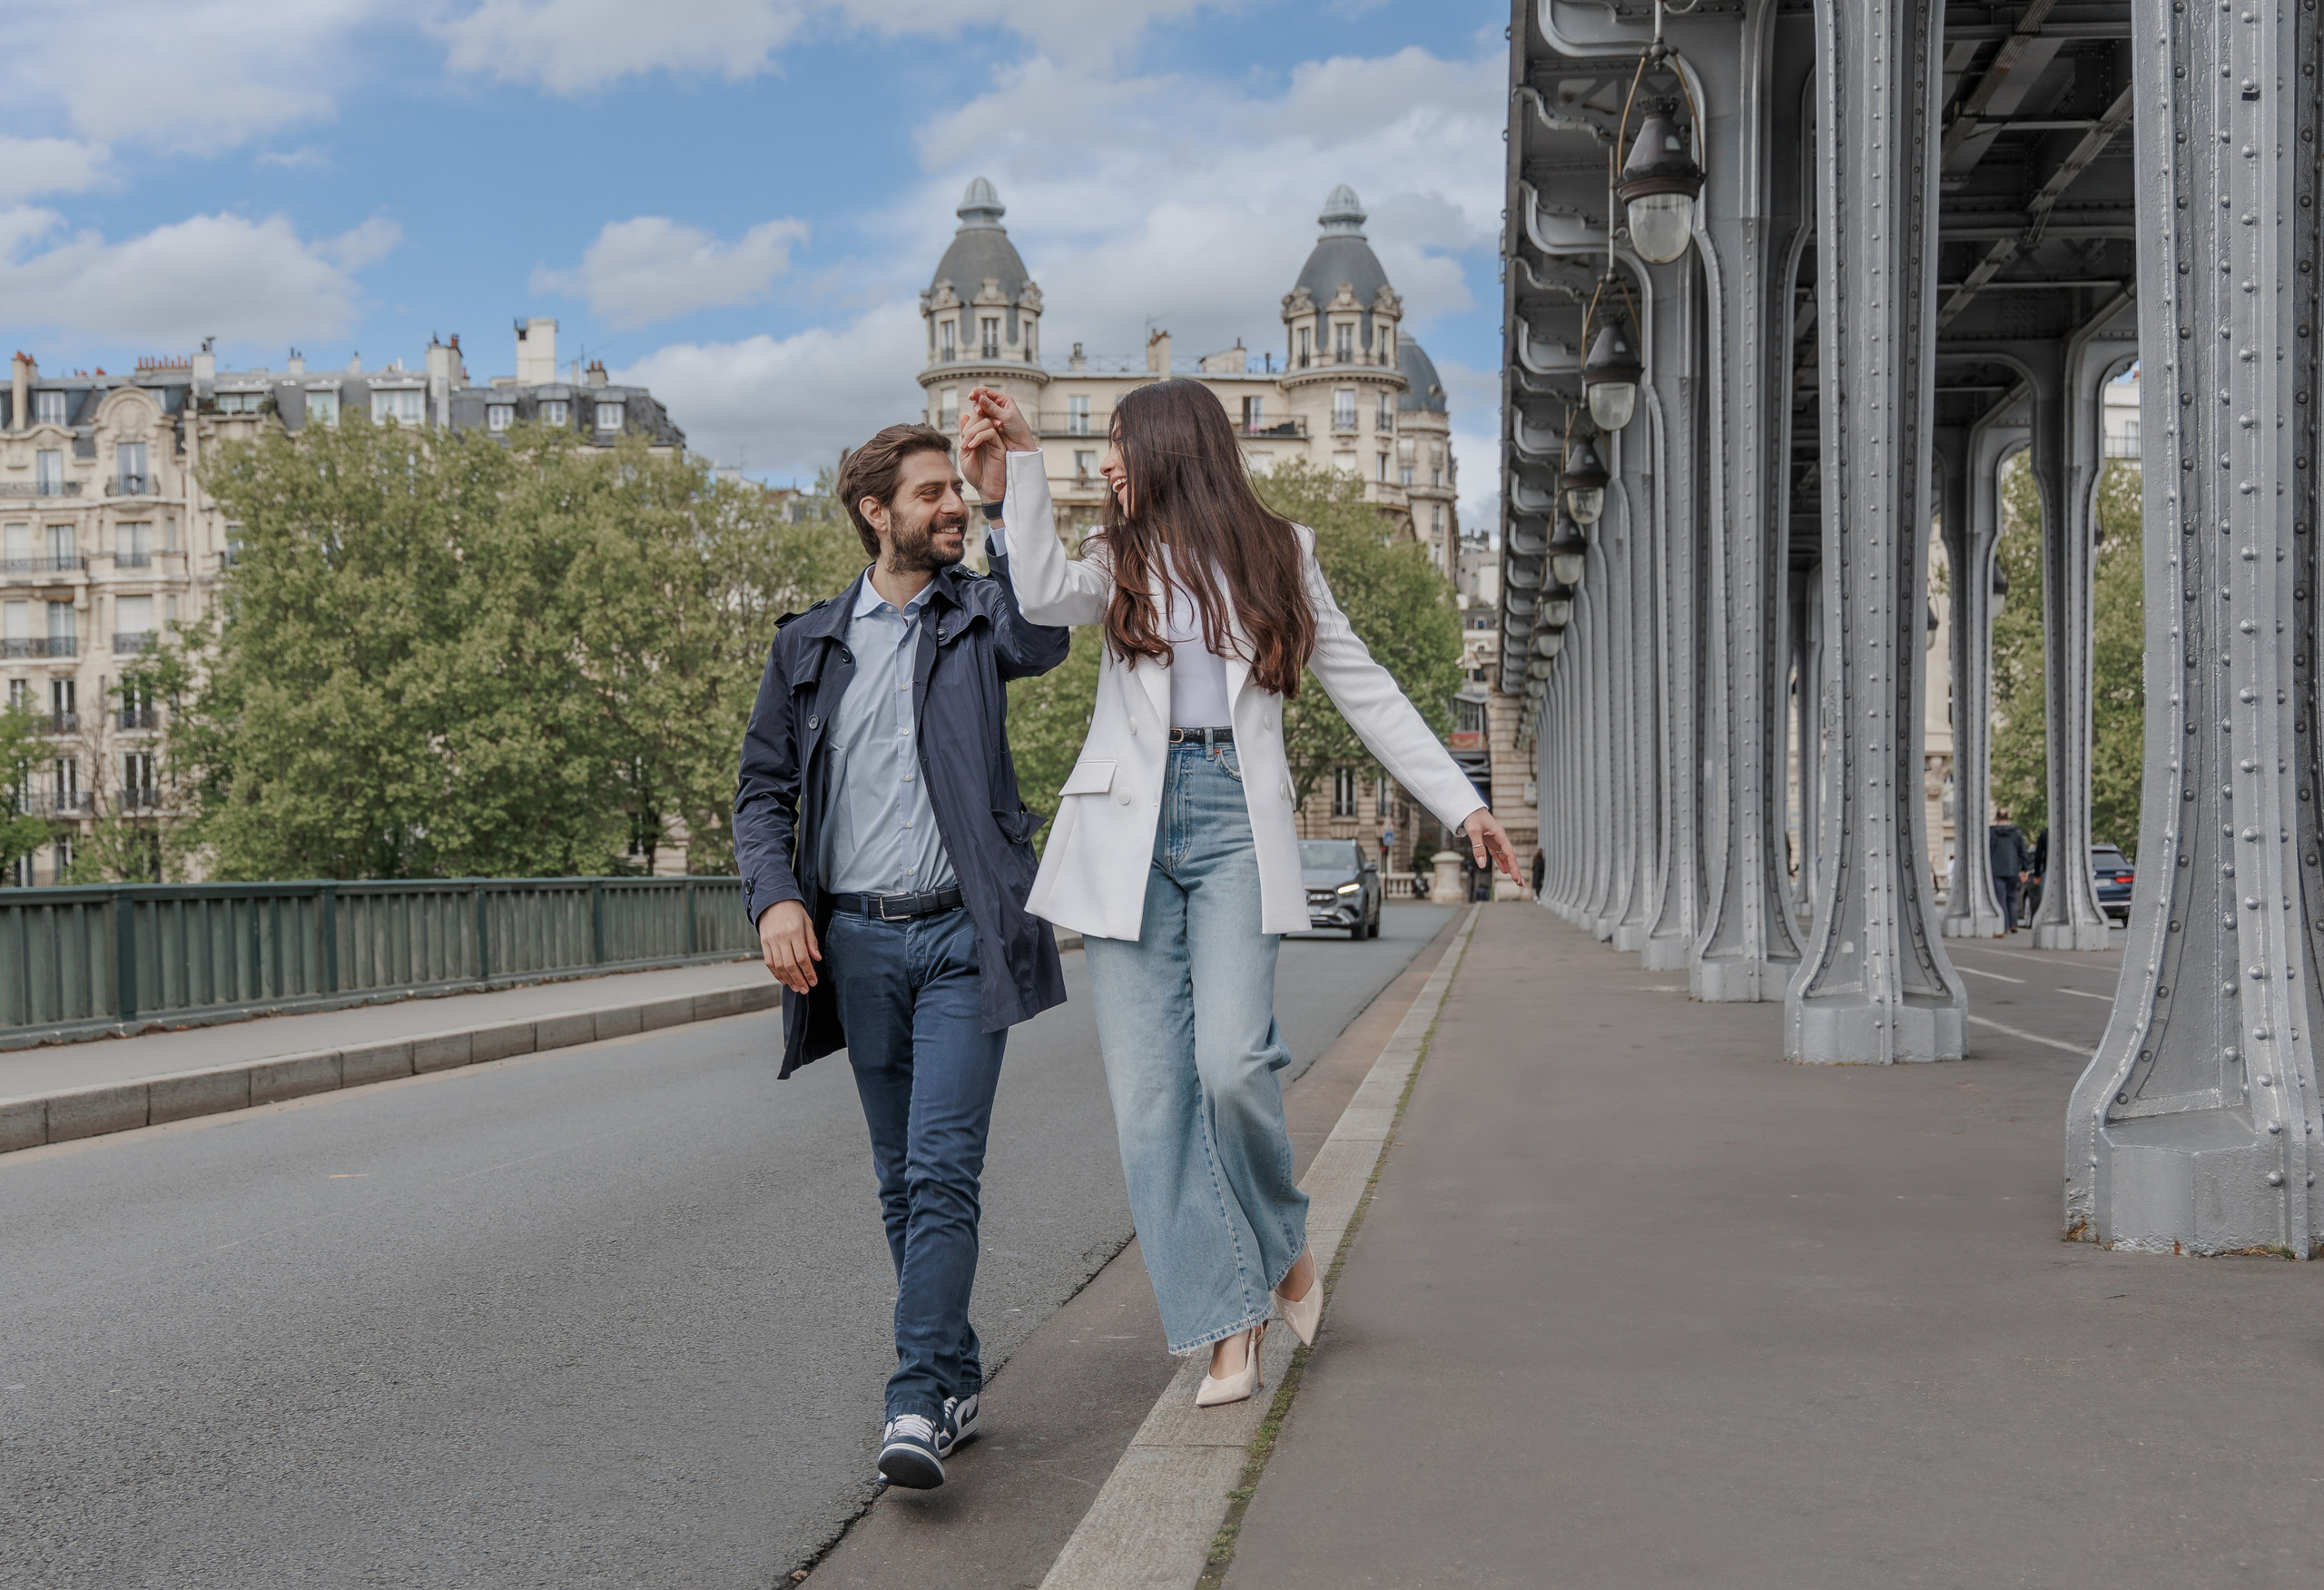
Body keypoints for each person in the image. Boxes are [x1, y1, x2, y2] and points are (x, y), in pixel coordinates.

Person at [960, 380, 1521, 1407]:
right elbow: (1037, 593)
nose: (1110, 464)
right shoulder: (1111, 556)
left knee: (1229, 1065)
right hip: (1127, 823)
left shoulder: (1282, 553)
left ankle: (1282, 1238)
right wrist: (1019, 474)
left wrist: (1460, 801)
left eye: (1120, 447)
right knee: (1148, 1107)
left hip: (1229, 818)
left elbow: (1365, 685)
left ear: (1174, 447)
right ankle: (1227, 1320)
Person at [733, 423, 1071, 1490]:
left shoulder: (977, 615)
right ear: (876, 512)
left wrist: (1007, 491)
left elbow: (1045, 637)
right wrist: (776, 897)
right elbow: (761, 791)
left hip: (965, 934)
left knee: (939, 1170)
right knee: (898, 1180)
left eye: (952, 495)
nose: (948, 509)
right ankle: (957, 1374)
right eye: (931, 495)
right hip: (858, 942)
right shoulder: (809, 644)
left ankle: (918, 1396)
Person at [1989, 807, 2031, 933]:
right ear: (2008, 818)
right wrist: (2025, 869)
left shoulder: (1991, 832)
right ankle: (2014, 923)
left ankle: (2005, 925)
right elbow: (2023, 851)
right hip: (2013, 869)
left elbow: (1987, 851)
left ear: (1997, 819)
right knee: (2012, 897)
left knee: (2000, 898)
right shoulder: (2016, 832)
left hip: (1996, 870)